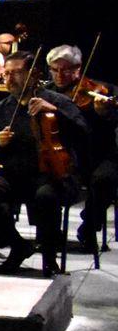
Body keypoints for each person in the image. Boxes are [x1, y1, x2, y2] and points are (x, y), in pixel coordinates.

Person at [0, 51, 86, 274]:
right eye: (6, 74)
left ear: (34, 75)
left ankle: (49, 257)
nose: (9, 79)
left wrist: (56, 112)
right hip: (15, 174)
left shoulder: (56, 101)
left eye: (16, 73)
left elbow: (83, 133)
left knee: (46, 196)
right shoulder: (2, 108)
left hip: (53, 174)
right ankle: (17, 244)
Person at [46, 44, 116, 252]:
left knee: (105, 179)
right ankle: (48, 233)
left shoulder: (102, 91)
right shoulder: (46, 93)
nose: (60, 75)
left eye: (66, 69)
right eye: (54, 69)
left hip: (98, 154)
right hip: (64, 155)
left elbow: (113, 123)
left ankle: (89, 225)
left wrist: (104, 114)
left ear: (78, 68)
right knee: (42, 177)